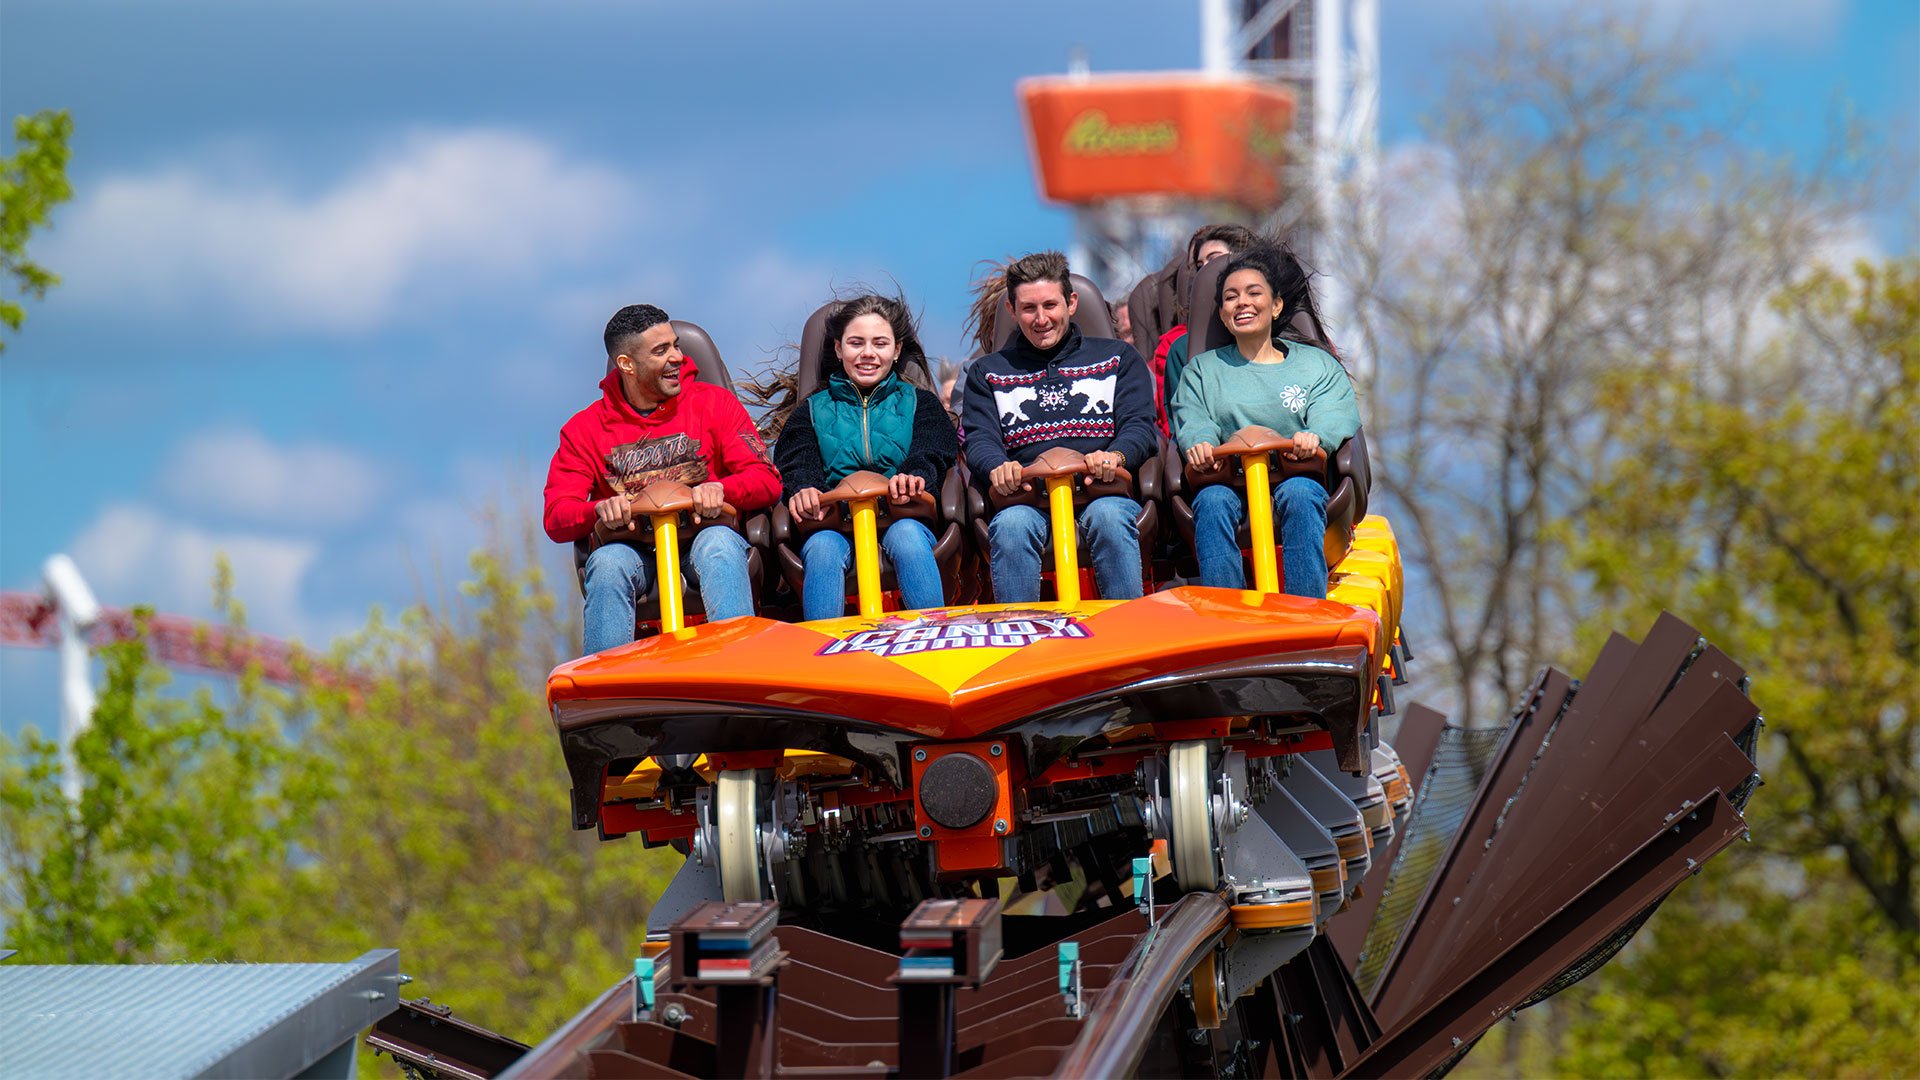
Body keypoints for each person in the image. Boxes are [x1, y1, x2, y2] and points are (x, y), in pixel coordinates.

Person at [543, 304, 780, 654]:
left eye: (676, 345)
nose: (678, 358)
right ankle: (610, 677)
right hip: (633, 550)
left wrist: (720, 489)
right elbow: (556, 515)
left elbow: (766, 480)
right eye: (661, 351)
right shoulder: (585, 430)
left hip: (704, 535)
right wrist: (599, 510)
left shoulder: (715, 404)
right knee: (607, 564)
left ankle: (740, 660)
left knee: (718, 546)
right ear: (627, 364)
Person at [961, 251, 1158, 602]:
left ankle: (1126, 625)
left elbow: (1139, 426)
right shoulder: (987, 373)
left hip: (1102, 491)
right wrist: (998, 467)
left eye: (1050, 305)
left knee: (1109, 518)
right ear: (1011, 311)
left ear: (1071, 303)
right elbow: (980, 440)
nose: (1041, 319)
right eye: (1029, 308)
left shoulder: (1118, 358)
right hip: (1026, 498)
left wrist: (1115, 455)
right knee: (1011, 526)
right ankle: (1021, 629)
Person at [1172, 247, 1358, 599]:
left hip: (1295, 475)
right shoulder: (1202, 370)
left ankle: (1305, 608)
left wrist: (1315, 437)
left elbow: (1334, 413)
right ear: (1222, 313)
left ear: (1276, 306)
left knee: (1300, 494)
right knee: (1211, 502)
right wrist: (1200, 441)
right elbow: (1192, 415)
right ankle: (1227, 609)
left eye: (1254, 293)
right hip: (1229, 481)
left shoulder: (1315, 365)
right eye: (1231, 297)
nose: (1242, 303)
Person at [776, 295, 958, 620]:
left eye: (880, 343)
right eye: (856, 343)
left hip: (903, 515)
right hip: (836, 524)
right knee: (823, 549)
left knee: (907, 538)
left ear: (897, 350)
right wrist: (804, 487)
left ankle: (932, 629)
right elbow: (796, 459)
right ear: (838, 349)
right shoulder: (810, 412)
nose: (868, 353)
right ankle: (824, 643)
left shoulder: (922, 404)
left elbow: (934, 447)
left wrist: (915, 473)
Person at [1152, 223, 1260, 437]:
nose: (1206, 271)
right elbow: (1178, 427)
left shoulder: (1299, 349)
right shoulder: (1182, 349)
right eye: (1200, 266)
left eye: (1215, 259)